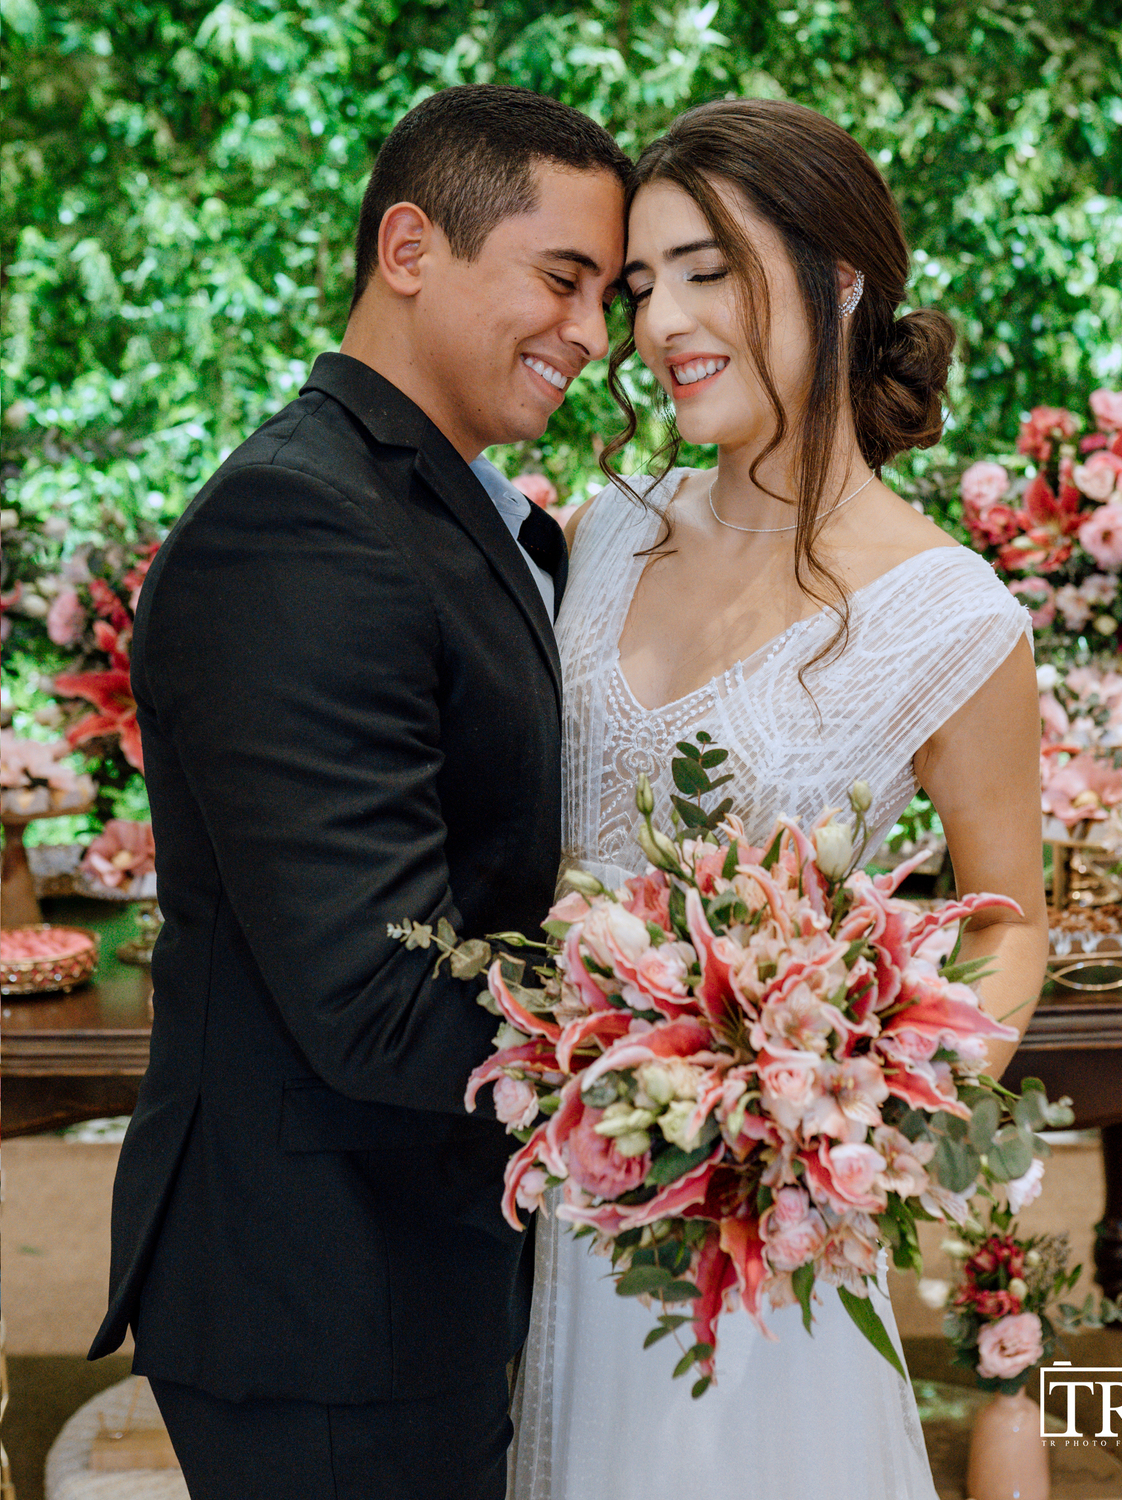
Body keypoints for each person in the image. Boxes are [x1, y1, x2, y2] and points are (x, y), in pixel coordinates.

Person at [87, 84, 627, 1500]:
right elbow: (377, 995)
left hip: (418, 1248)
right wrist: (680, 1049)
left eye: (610, 295)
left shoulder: (445, 507)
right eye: (563, 279)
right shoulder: (301, 524)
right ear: (409, 247)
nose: (594, 333)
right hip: (322, 1287)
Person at [508, 98, 1048, 1499]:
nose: (660, 322)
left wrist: (853, 1131)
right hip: (563, 1196)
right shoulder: (607, 527)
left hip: (765, 1235)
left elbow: (1011, 925)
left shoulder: (950, 615)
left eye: (710, 269)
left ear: (841, 280)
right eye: (641, 284)